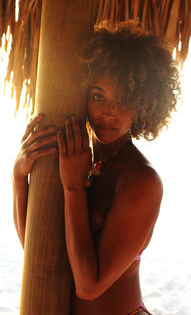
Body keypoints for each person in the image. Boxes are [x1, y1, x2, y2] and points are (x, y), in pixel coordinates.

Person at [12, 27, 180, 315]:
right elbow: (38, 250)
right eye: (98, 96)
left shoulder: (142, 181)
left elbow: (90, 287)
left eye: (123, 100)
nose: (109, 113)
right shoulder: (77, 160)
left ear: (144, 104)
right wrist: (18, 176)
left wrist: (74, 188)